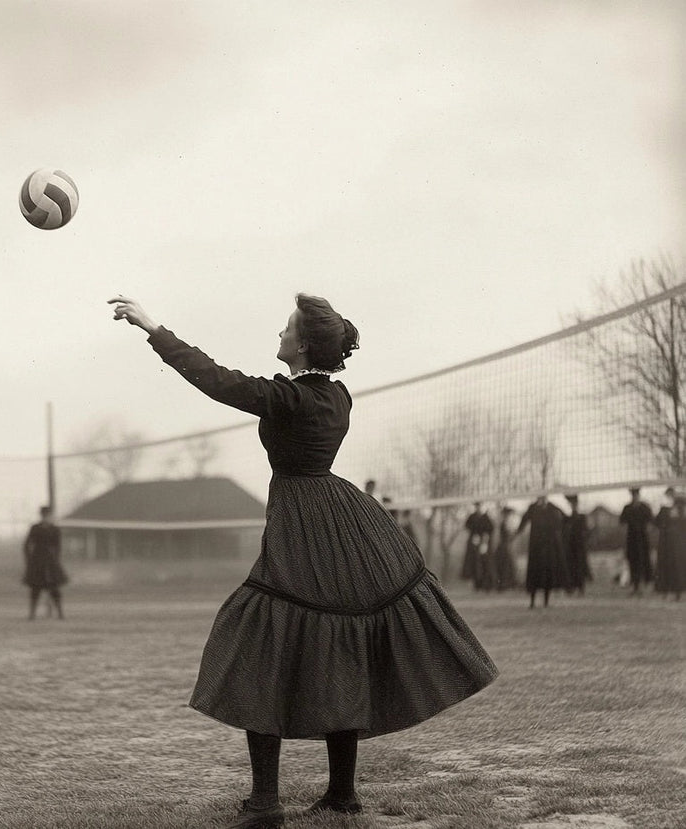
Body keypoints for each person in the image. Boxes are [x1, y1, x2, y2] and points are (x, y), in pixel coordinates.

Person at [109, 294, 498, 825]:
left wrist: (153, 328)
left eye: (287, 328)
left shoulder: (291, 397)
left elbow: (217, 380)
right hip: (345, 518)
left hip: (304, 520)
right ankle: (341, 794)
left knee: (258, 643)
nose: (279, 334)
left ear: (304, 344)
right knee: (342, 645)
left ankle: (266, 803)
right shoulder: (337, 395)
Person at [516, 496, 569, 608]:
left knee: (547, 574)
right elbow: (523, 521)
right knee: (534, 573)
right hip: (535, 547)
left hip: (548, 548)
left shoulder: (552, 507)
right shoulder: (533, 508)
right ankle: (532, 601)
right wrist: (516, 534)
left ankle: (546, 601)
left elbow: (564, 519)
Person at [23, 505, 67, 620]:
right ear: (41, 516)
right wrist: (29, 560)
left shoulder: (55, 529)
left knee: (54, 588)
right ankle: (32, 614)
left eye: (48, 515)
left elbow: (58, 546)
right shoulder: (35, 528)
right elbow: (27, 544)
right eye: (45, 515)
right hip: (37, 561)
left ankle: (60, 613)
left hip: (50, 562)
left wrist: (55, 560)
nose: (47, 517)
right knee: (35, 588)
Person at [619, 488, 654, 595]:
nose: (635, 497)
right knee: (633, 562)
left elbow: (651, 522)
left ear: (639, 495)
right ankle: (635, 586)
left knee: (644, 561)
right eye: (633, 495)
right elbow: (622, 522)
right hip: (632, 539)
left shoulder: (645, 507)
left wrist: (647, 529)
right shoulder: (627, 508)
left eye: (636, 494)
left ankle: (644, 586)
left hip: (643, 539)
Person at [654, 488, 685, 600]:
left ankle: (678, 592)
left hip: (680, 545)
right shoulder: (664, 510)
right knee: (666, 566)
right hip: (666, 544)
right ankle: (666, 591)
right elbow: (657, 523)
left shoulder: (682, 509)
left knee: (679, 567)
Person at [563, 493, 591, 595]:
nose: (573, 506)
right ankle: (572, 587)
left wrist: (584, 538)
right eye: (572, 504)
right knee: (571, 567)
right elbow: (564, 533)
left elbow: (586, 532)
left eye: (575, 504)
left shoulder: (581, 517)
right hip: (570, 548)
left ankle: (580, 587)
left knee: (580, 567)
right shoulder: (567, 518)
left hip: (580, 547)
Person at [462, 503, 494, 590]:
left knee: (484, 563)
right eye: (477, 507)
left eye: (479, 506)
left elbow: (490, 529)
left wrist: (484, 539)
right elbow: (467, 526)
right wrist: (474, 535)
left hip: (484, 543)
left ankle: (486, 584)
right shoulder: (472, 516)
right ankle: (476, 584)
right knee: (474, 564)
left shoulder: (485, 517)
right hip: (474, 543)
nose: (478, 508)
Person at [491, 506, 519, 590]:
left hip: (504, 546)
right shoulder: (503, 523)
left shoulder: (505, 523)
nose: (508, 516)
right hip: (503, 546)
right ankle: (503, 584)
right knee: (504, 565)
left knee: (505, 565)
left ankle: (505, 583)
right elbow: (505, 536)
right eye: (507, 514)